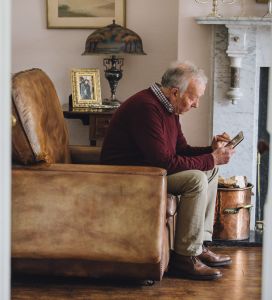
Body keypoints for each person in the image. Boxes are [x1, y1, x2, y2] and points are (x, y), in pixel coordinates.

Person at [100, 61, 235, 280]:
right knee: (197, 179)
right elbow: (165, 162)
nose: (196, 104)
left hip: (151, 171)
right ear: (174, 92)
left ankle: (199, 244)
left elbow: (181, 150)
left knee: (211, 171)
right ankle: (184, 257)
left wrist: (210, 151)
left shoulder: (168, 107)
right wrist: (211, 158)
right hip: (128, 176)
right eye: (193, 97)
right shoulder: (146, 108)